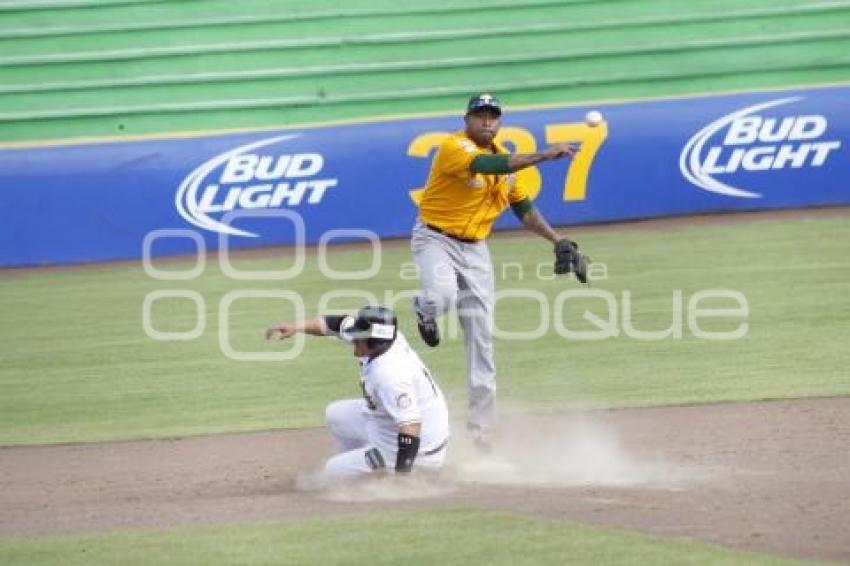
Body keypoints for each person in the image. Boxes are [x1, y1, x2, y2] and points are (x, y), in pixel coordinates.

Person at [411, 93, 589, 450]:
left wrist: (557, 240)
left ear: (499, 121)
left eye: (493, 116)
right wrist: (542, 154)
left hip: (476, 249)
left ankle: (481, 428)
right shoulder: (454, 148)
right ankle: (424, 310)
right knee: (441, 296)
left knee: (482, 337)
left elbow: (524, 210)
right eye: (481, 115)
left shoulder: (502, 162)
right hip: (435, 238)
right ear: (467, 119)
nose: (487, 121)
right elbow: (492, 167)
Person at [266, 305, 450, 478]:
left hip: (419, 452)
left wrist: (402, 478)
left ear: (374, 341)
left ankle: (385, 470)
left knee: (330, 475)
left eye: (359, 337)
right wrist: (296, 327)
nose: (353, 339)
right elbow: (336, 324)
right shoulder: (385, 341)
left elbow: (410, 426)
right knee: (336, 414)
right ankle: (363, 460)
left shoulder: (390, 374)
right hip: (392, 425)